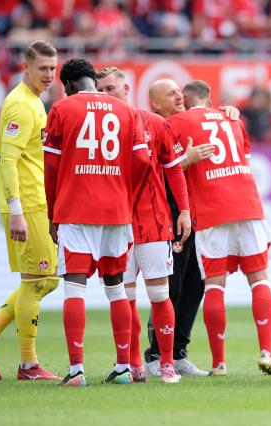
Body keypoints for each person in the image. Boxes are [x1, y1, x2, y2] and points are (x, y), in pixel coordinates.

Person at [43, 58, 150, 386]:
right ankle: (122, 368)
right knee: (116, 286)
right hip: (116, 210)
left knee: (75, 285)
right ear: (92, 79)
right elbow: (143, 161)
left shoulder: (62, 108)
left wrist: (52, 212)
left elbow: (50, 167)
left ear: (68, 85)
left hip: (76, 208)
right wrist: (122, 192)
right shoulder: (126, 111)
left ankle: (76, 370)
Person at [165, 80, 271, 376]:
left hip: (211, 208)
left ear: (187, 98)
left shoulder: (177, 121)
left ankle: (219, 364)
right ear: (209, 98)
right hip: (247, 204)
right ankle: (267, 352)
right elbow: (244, 160)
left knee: (216, 285)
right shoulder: (233, 119)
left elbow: (169, 165)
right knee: (259, 279)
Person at [0, 40, 61, 382]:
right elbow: (7, 159)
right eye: (43, 69)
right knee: (38, 280)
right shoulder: (21, 105)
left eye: (53, 68)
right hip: (28, 204)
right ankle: (28, 365)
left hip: (37, 203)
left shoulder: (34, 101)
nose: (49, 75)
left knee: (44, 279)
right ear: (26, 66)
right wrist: (17, 210)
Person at [95, 66, 193, 384]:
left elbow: (175, 169)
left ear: (126, 88)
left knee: (159, 295)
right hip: (116, 224)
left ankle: (166, 364)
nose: (106, 93)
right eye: (101, 89)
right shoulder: (96, 129)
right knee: (123, 297)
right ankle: (133, 363)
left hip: (152, 222)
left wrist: (185, 210)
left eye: (111, 87)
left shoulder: (154, 123)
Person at [143, 79, 238, 377]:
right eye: (170, 93)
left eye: (179, 92)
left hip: (198, 214)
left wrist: (228, 113)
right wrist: (187, 159)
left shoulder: (187, 124)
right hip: (169, 215)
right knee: (170, 285)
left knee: (195, 284)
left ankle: (179, 352)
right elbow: (155, 172)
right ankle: (158, 354)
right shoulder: (156, 128)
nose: (179, 96)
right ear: (155, 103)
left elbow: (215, 123)